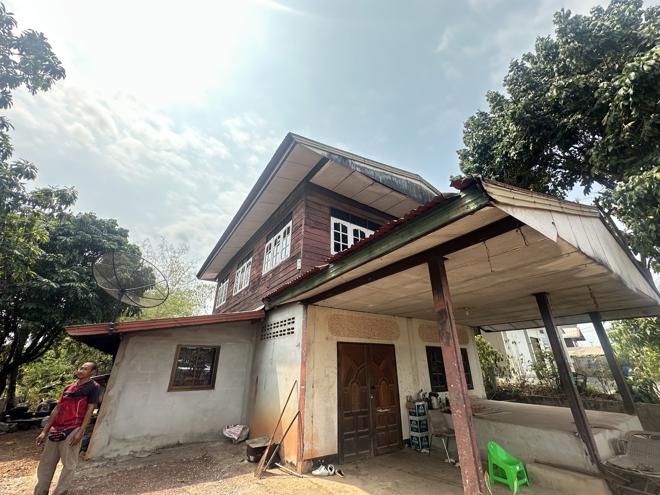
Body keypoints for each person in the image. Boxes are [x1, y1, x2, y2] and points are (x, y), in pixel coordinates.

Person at [34, 361, 100, 495]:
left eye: (85, 369)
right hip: (56, 429)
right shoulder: (69, 388)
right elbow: (57, 409)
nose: (81, 370)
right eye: (80, 368)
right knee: (46, 464)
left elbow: (90, 410)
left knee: (69, 465)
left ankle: (60, 492)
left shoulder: (94, 387)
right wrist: (44, 431)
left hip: (73, 429)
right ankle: (40, 492)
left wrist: (81, 432)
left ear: (92, 372)